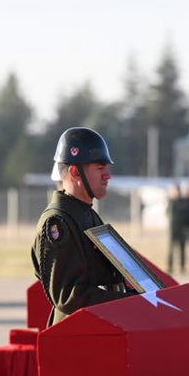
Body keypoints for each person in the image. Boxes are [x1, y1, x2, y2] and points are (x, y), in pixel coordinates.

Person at [32, 127, 134, 326]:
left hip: (99, 332)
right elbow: (68, 296)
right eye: (99, 168)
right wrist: (129, 302)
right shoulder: (58, 223)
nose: (108, 175)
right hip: (75, 341)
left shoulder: (86, 214)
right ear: (75, 172)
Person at [166, 183, 189, 274]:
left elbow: (188, 212)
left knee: (182, 248)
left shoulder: (183, 202)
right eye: (173, 190)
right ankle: (170, 266)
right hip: (173, 228)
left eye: (175, 190)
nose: (174, 192)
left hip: (182, 228)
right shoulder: (171, 201)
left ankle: (182, 267)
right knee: (171, 248)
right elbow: (168, 214)